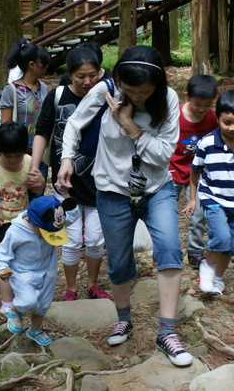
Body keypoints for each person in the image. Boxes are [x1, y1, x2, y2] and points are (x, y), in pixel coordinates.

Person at [57, 45, 192, 367]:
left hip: (156, 188)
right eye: (129, 90)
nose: (135, 96)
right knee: (118, 261)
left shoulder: (169, 100)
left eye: (143, 91)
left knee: (170, 249)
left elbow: (162, 155)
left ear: (157, 86)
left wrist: (129, 125)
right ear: (117, 80)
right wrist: (66, 158)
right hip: (112, 190)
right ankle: (123, 319)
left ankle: (167, 332)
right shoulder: (106, 90)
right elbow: (74, 124)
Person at [32, 47, 110, 301]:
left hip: (101, 182)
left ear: (100, 71)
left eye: (92, 75)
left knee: (97, 240)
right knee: (71, 240)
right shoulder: (57, 97)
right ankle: (71, 287)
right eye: (80, 76)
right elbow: (42, 132)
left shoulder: (107, 96)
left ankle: (93, 284)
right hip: (65, 183)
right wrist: (35, 166)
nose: (87, 81)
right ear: (69, 74)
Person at [186, 89, 234, 296]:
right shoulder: (207, 143)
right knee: (220, 236)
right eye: (227, 122)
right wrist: (193, 199)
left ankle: (217, 278)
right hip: (213, 198)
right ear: (218, 118)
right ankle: (207, 271)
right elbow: (195, 171)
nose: (232, 128)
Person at [0, 122, 45, 315]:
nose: (13, 160)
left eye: (18, 155)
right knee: (5, 262)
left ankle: (27, 293)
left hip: (24, 223)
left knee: (24, 260)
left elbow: (37, 190)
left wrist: (38, 183)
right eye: (8, 156)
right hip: (1, 224)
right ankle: (7, 301)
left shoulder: (30, 162)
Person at [0, 194, 80, 346]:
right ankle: (14, 309)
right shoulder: (16, 231)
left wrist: (66, 195)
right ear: (32, 222)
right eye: (46, 232)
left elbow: (73, 214)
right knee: (28, 301)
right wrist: (1, 269)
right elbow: (2, 254)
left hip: (47, 273)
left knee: (43, 305)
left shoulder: (53, 222)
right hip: (22, 274)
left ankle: (34, 330)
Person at [169, 74, 219, 268]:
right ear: (187, 97)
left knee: (199, 213)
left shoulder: (212, 118)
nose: (202, 109)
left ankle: (195, 252)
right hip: (172, 169)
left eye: (207, 105)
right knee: (167, 213)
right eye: (198, 104)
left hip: (199, 173)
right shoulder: (175, 116)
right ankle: (167, 250)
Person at [0, 38, 50, 182]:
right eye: (43, 63)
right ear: (32, 65)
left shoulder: (44, 88)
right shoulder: (11, 90)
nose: (47, 66)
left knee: (38, 197)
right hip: (18, 154)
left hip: (39, 152)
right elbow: (5, 125)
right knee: (17, 198)